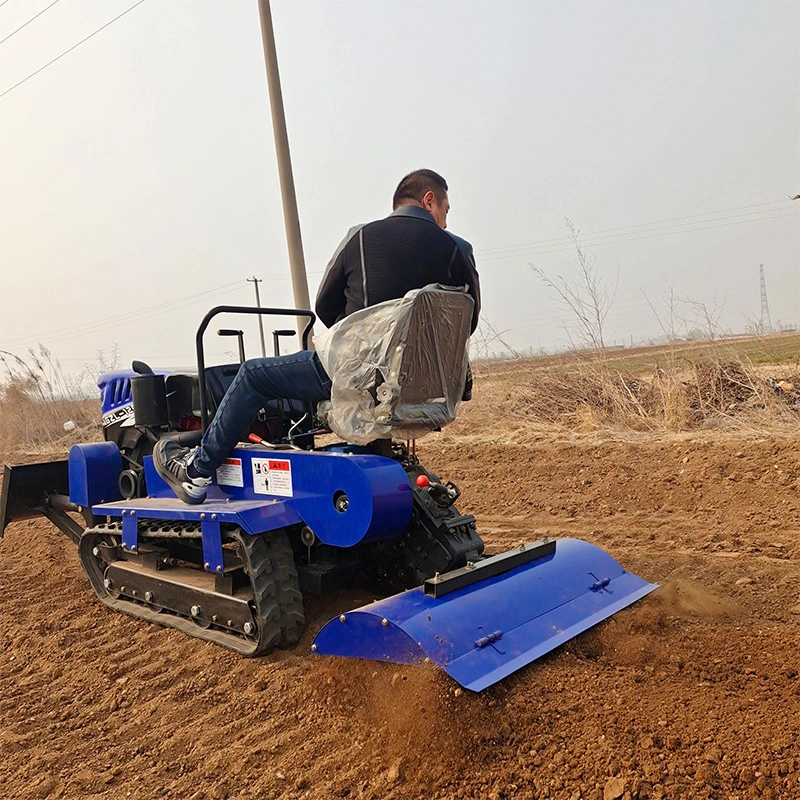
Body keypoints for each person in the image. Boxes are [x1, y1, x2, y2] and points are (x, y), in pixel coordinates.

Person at [153, 168, 480, 504]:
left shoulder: (361, 237)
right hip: (429, 388)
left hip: (361, 381)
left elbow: (324, 307)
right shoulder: (459, 249)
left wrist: (362, 349)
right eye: (445, 210)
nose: (444, 220)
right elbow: (466, 320)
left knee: (252, 375)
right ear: (429, 201)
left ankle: (197, 471)